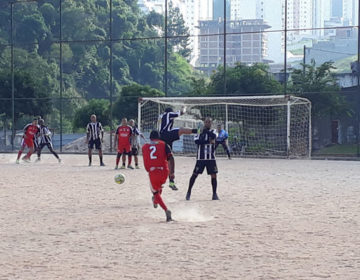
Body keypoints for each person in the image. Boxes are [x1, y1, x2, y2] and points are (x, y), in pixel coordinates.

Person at [159, 107, 199, 191]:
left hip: (162, 138)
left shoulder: (161, 116)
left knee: (167, 161)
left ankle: (171, 182)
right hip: (166, 135)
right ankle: (198, 131)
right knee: (181, 130)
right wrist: (184, 108)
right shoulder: (168, 114)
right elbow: (181, 113)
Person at [142, 130, 174, 222]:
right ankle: (155, 200)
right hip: (164, 171)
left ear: (150, 138)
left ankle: (166, 210)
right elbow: (171, 158)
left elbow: (146, 162)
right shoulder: (164, 144)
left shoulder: (145, 147)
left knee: (155, 192)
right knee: (159, 188)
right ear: (159, 137)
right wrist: (172, 173)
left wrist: (149, 170)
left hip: (153, 171)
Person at [186, 117, 219, 201]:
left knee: (214, 175)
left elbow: (214, 137)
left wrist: (206, 133)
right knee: (195, 174)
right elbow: (197, 141)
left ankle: (214, 194)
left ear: (211, 124)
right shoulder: (199, 130)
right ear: (204, 123)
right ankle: (189, 191)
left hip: (211, 158)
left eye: (209, 122)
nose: (208, 123)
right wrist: (207, 141)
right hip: (201, 158)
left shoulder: (213, 131)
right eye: (206, 122)